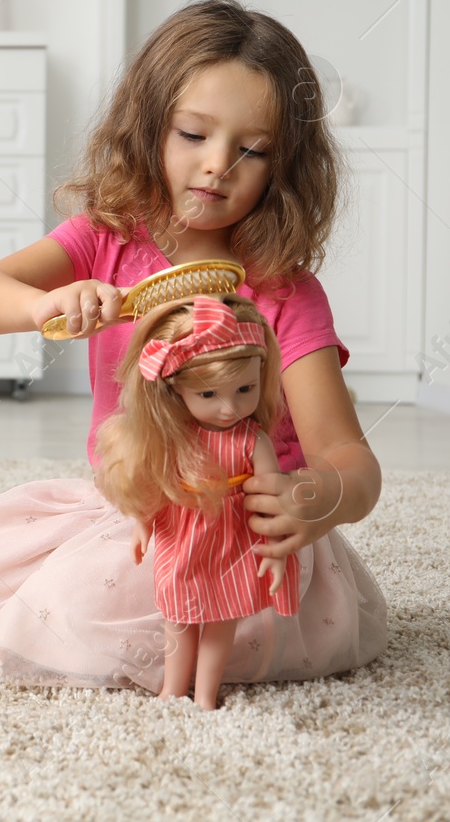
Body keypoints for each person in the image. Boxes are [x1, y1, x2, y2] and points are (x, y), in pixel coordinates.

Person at [0, 0, 387, 694]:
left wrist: (316, 495)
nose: (216, 166)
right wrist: (43, 303)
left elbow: (354, 462)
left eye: (253, 150)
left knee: (69, 620)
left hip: (241, 542)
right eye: (192, 133)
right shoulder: (106, 238)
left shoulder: (285, 294)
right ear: (149, 127)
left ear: (284, 165)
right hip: (132, 513)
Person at [95, 293, 298, 709]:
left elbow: (272, 501)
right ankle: (173, 686)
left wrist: (276, 552)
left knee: (222, 619)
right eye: (208, 395)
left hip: (235, 540)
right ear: (174, 390)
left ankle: (206, 694)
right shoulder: (174, 440)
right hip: (183, 532)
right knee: (178, 617)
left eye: (246, 389)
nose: (230, 407)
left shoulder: (251, 440)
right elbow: (154, 484)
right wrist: (143, 522)